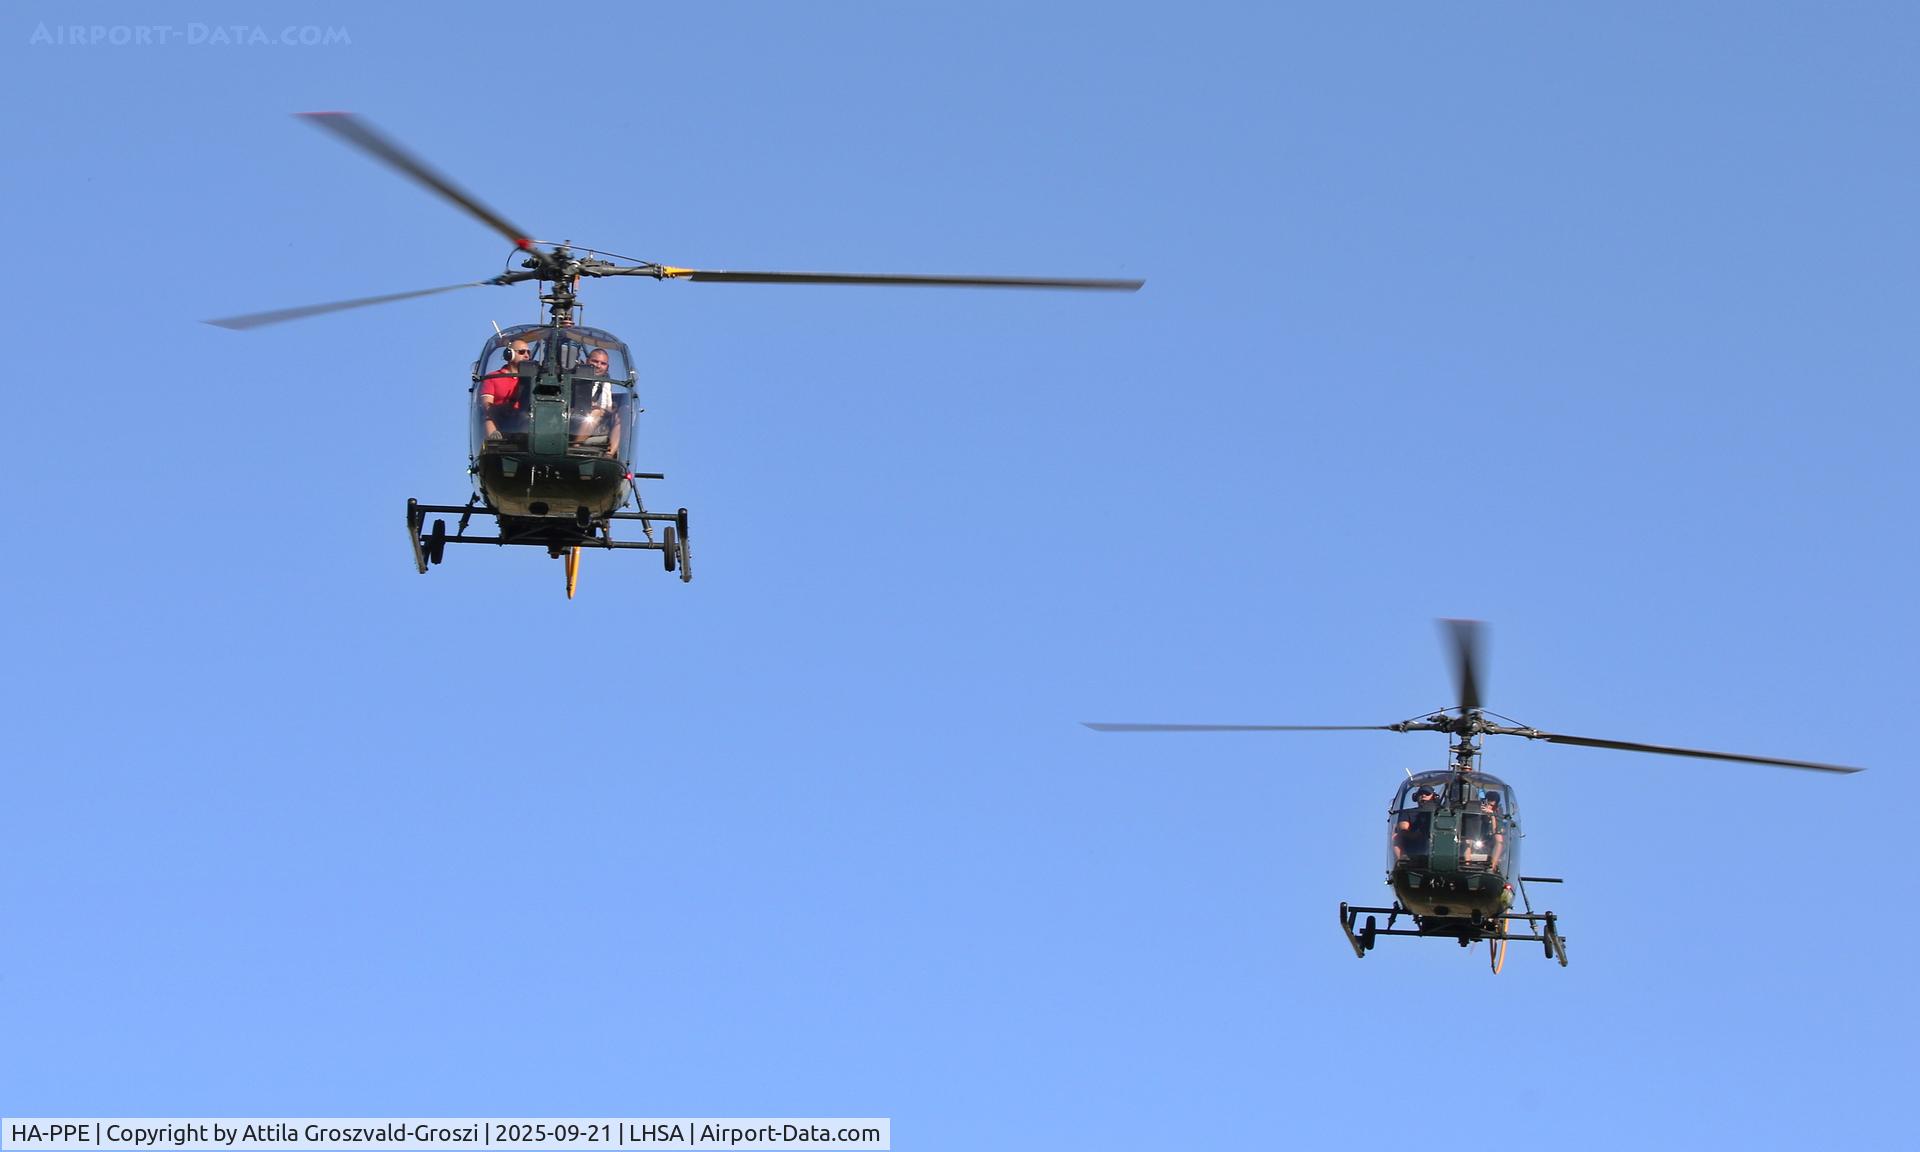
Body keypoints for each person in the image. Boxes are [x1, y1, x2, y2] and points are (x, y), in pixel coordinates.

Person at [568, 347, 622, 454]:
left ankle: (610, 453)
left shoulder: (606, 382)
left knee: (619, 417)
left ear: (607, 367)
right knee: (596, 412)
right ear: (587, 361)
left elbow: (607, 406)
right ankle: (576, 445)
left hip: (598, 419)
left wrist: (614, 410)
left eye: (603, 363)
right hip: (575, 416)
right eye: (595, 361)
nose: (598, 366)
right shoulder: (577, 376)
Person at [480, 339, 535, 441]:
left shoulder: (532, 379)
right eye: (522, 352)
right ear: (510, 354)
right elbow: (486, 405)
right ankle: (494, 442)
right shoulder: (493, 377)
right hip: (501, 420)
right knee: (488, 417)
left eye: (528, 352)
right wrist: (502, 408)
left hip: (524, 421)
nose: (526, 355)